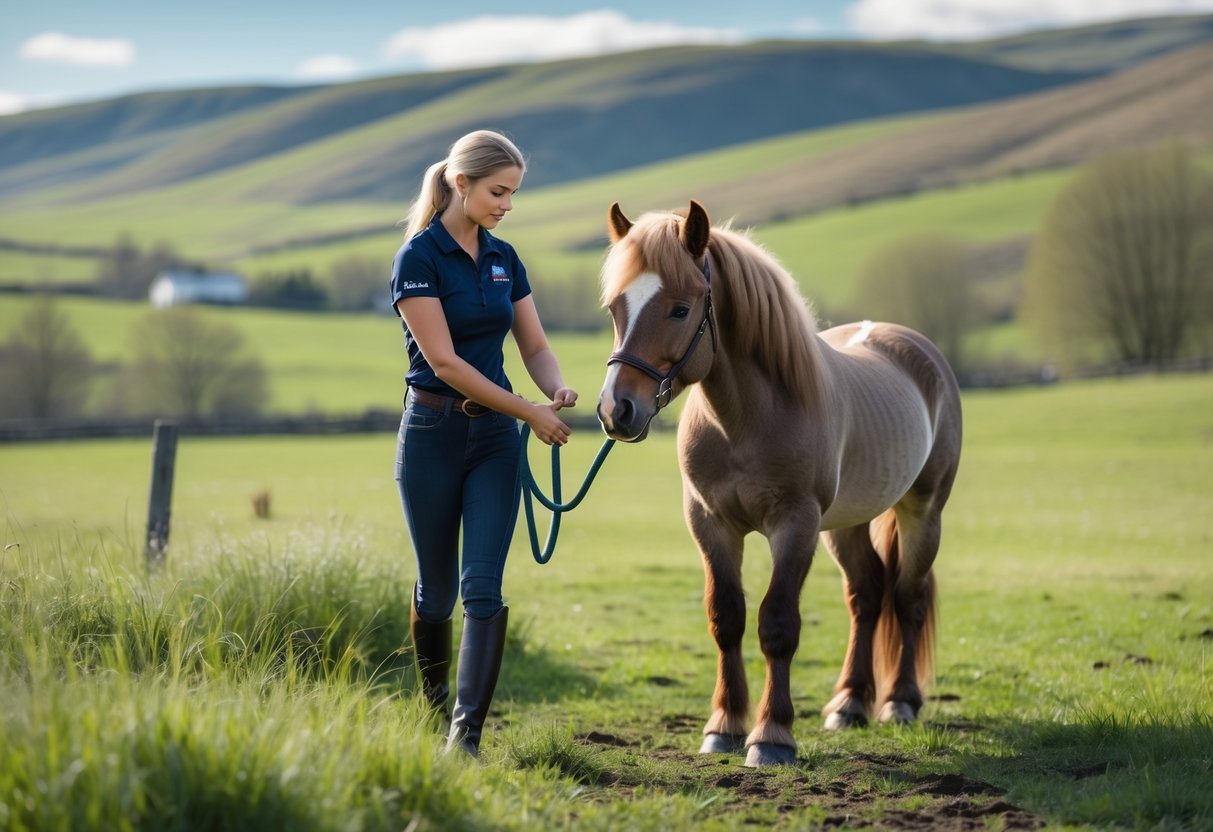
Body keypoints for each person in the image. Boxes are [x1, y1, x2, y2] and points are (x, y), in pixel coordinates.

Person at [391, 129, 577, 758]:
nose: (506, 204)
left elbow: (534, 346)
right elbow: (442, 361)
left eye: (514, 194)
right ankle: (433, 711)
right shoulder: (418, 258)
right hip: (432, 435)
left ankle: (463, 740)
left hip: (495, 439)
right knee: (437, 593)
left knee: (483, 588)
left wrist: (553, 389)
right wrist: (528, 410)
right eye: (499, 191)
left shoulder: (506, 257)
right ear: (460, 184)